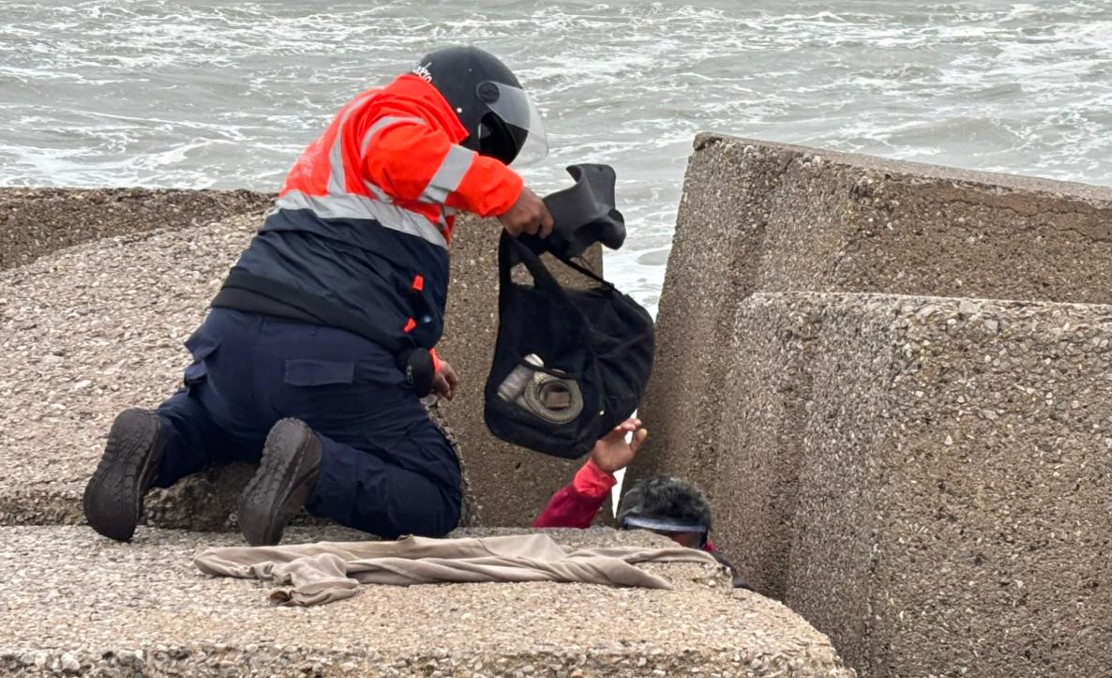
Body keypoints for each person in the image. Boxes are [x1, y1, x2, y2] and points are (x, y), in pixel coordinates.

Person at [83, 45, 554, 547]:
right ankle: (315, 465)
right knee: (435, 494)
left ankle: (160, 438)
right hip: (323, 360)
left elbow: (343, 274)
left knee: (218, 423)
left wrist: (421, 356)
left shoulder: (336, 159)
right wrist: (505, 192)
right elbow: (396, 151)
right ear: (472, 106)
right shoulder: (393, 114)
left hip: (230, 345)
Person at [533, 419, 749, 588]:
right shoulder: (606, 559)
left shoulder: (719, 574)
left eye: (676, 536)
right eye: (649, 533)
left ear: (702, 541)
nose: (661, 545)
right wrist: (598, 473)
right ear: (623, 533)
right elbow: (546, 542)